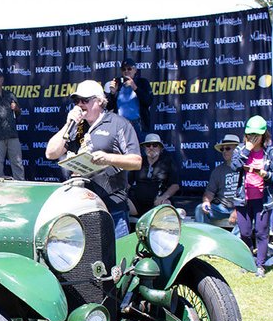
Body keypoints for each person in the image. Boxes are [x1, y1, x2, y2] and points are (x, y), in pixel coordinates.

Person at [45, 79, 141, 237]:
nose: (80, 105)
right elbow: (51, 153)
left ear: (99, 101)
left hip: (112, 207)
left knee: (116, 257)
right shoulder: (76, 126)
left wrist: (108, 159)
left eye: (85, 100)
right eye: (77, 101)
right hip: (81, 208)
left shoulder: (118, 124)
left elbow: (136, 162)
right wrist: (68, 124)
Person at [229, 117, 273, 277]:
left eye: (256, 135)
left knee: (261, 232)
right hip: (243, 198)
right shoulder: (239, 149)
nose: (253, 138)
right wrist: (247, 149)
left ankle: (260, 265)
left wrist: (266, 175)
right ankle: (248, 259)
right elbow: (234, 166)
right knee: (245, 232)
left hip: (263, 199)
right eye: (250, 134)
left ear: (264, 135)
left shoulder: (270, 152)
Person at [128, 133, 179, 216]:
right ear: (144, 148)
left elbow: (175, 185)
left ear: (160, 148)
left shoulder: (168, 162)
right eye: (148, 145)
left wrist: (163, 197)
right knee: (121, 204)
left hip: (158, 201)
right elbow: (128, 183)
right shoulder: (139, 162)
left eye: (155, 145)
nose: (151, 148)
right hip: (136, 202)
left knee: (167, 206)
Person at [195, 134, 240, 227]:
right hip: (222, 208)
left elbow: (249, 196)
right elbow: (210, 192)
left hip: (241, 208)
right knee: (199, 209)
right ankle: (204, 238)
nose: (224, 151)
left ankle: (232, 241)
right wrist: (206, 202)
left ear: (237, 150)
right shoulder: (218, 170)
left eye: (227, 148)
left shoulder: (245, 168)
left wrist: (237, 211)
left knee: (244, 219)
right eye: (222, 149)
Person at [113, 58, 153, 140]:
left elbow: (148, 101)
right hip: (120, 125)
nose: (126, 71)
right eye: (124, 69)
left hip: (137, 124)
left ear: (135, 70)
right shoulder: (118, 84)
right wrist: (112, 93)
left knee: (140, 151)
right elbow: (108, 106)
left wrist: (135, 87)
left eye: (129, 69)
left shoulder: (143, 82)